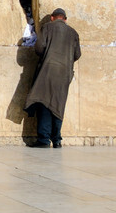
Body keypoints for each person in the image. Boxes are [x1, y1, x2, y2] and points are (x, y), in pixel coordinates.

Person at [25, 8, 81, 148]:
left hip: (48, 71)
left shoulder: (47, 27)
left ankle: (44, 140)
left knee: (44, 103)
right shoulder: (73, 33)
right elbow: (77, 54)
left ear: (52, 18)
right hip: (65, 74)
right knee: (58, 104)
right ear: (65, 19)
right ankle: (56, 140)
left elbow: (39, 48)